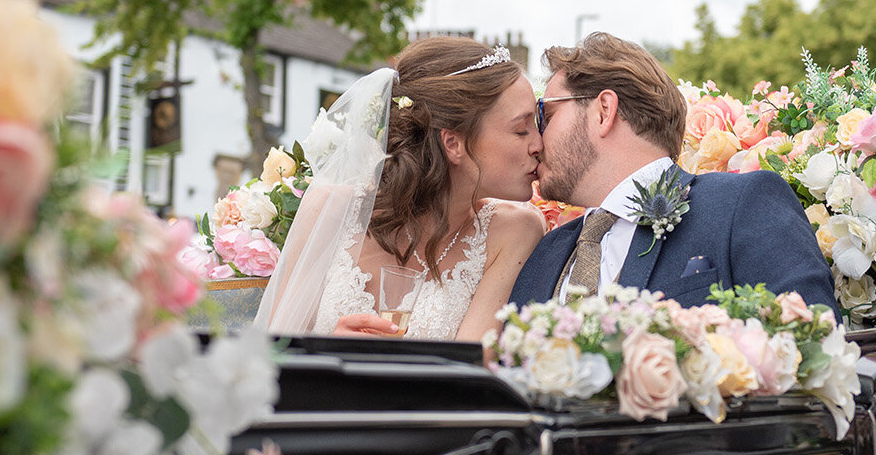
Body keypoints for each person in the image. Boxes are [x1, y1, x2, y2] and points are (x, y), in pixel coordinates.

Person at [510, 32, 836, 311]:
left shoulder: (742, 207)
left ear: (603, 111)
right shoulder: (541, 256)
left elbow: (813, 349)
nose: (536, 141)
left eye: (545, 114)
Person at [256, 37, 546, 341]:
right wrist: (329, 349)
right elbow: (274, 359)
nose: (539, 144)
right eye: (521, 129)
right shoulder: (330, 210)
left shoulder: (515, 232)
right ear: (453, 144)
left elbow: (472, 367)